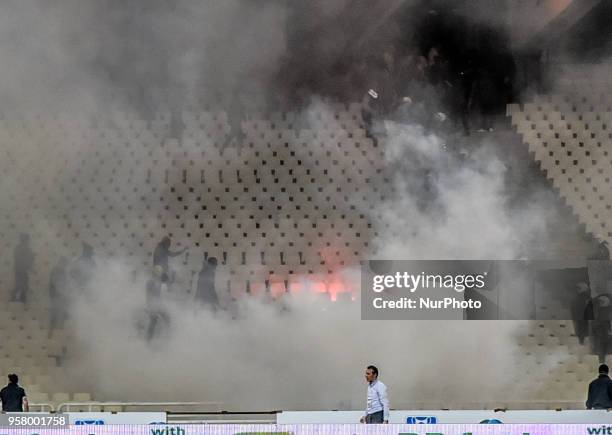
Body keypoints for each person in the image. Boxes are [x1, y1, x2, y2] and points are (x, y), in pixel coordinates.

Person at [11, 234, 34, 303]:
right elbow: (21, 259)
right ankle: (17, 298)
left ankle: (20, 298)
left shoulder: (23, 248)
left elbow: (28, 259)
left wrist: (31, 259)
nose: (28, 241)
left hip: (21, 269)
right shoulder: (22, 248)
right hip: (20, 269)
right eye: (27, 240)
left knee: (23, 283)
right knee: (20, 283)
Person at [49, 257, 69, 331]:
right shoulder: (56, 270)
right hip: (55, 295)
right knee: (55, 311)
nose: (65, 266)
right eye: (64, 264)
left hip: (60, 295)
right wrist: (62, 292)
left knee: (62, 310)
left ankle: (60, 326)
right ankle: (52, 328)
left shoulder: (63, 271)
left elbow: (65, 283)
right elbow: (55, 282)